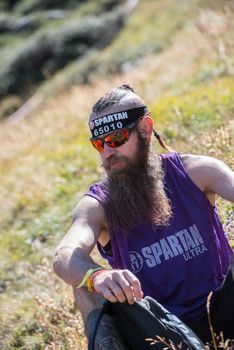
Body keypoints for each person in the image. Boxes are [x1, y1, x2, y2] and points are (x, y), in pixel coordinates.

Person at [53, 84, 234, 349]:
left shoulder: (197, 173)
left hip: (223, 312)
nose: (107, 152)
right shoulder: (98, 205)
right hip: (159, 332)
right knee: (83, 284)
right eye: (98, 144)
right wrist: (97, 276)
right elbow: (64, 256)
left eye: (115, 139)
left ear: (145, 129)